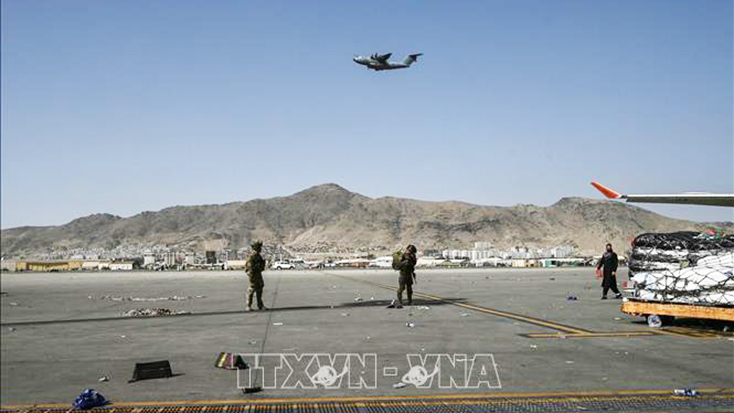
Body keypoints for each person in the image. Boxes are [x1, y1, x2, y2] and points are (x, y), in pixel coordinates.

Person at [245, 241, 267, 310]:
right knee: (251, 290)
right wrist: (251, 276)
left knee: (259, 290)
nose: (260, 249)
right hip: (253, 275)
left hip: (258, 274)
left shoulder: (258, 256)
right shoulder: (252, 257)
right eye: (259, 248)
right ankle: (248, 305)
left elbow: (261, 267)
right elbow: (249, 267)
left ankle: (260, 305)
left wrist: (263, 264)